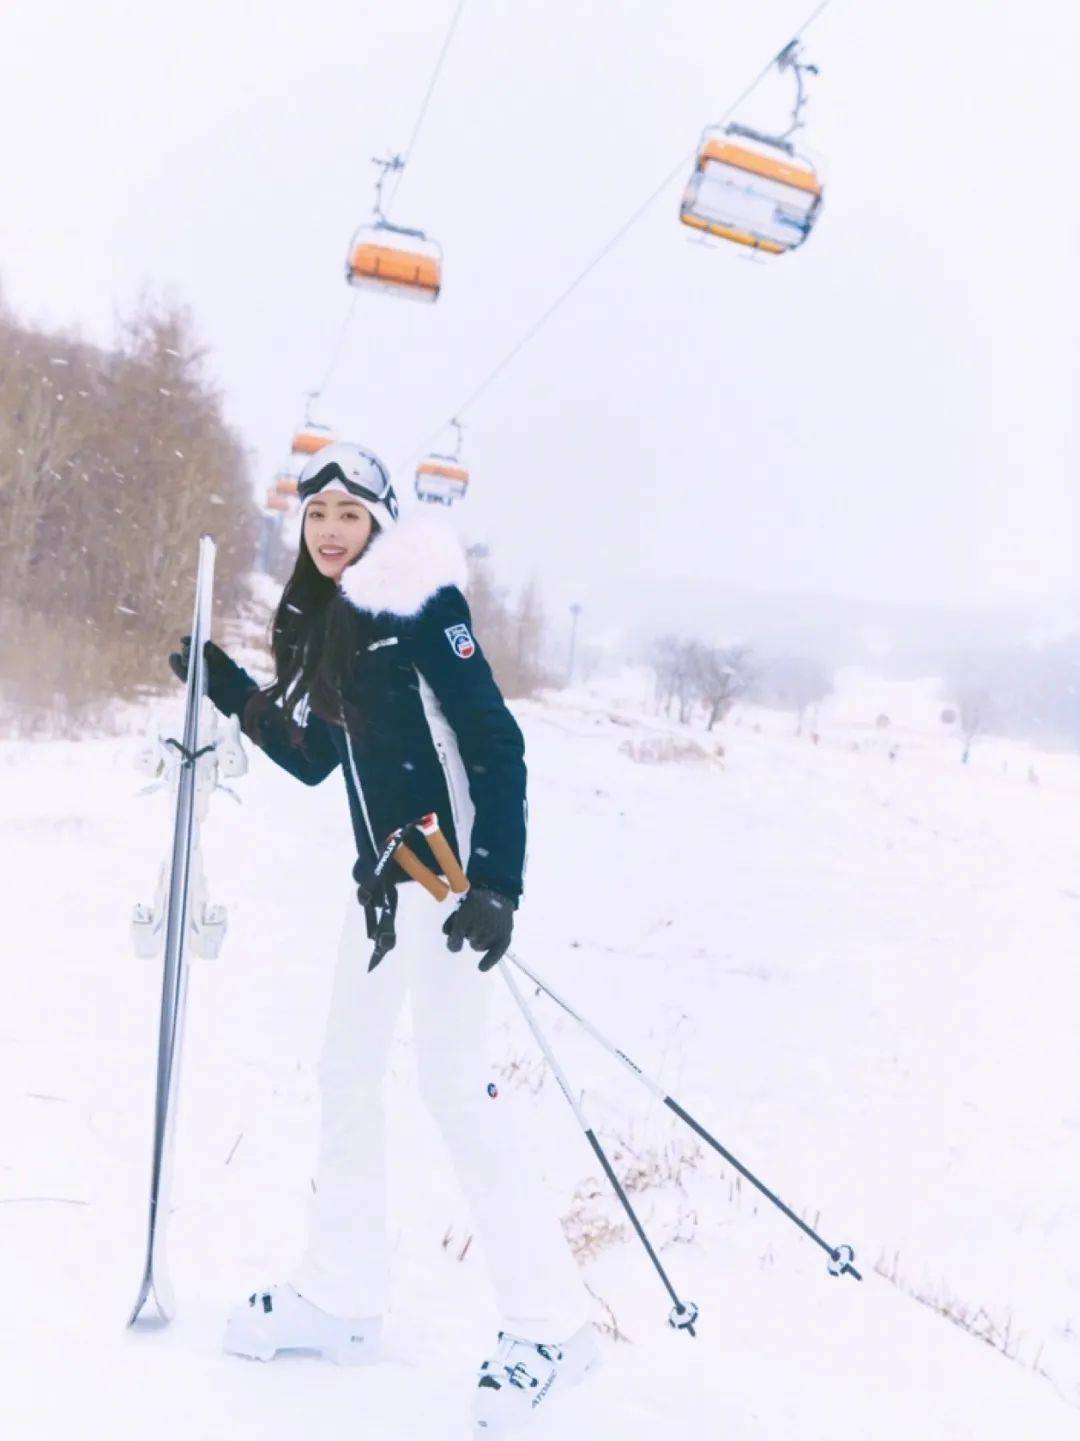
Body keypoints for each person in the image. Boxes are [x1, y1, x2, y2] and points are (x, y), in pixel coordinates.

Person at [170, 442, 597, 1433]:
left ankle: (551, 1323)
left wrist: (499, 882)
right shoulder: (330, 624)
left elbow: (496, 741)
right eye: (317, 514)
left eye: (349, 516)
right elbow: (322, 759)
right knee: (345, 1071)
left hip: (446, 884)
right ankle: (344, 1292)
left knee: (452, 1085)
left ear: (380, 526)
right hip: (383, 892)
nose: (329, 530)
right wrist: (225, 683)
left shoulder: (420, 605)